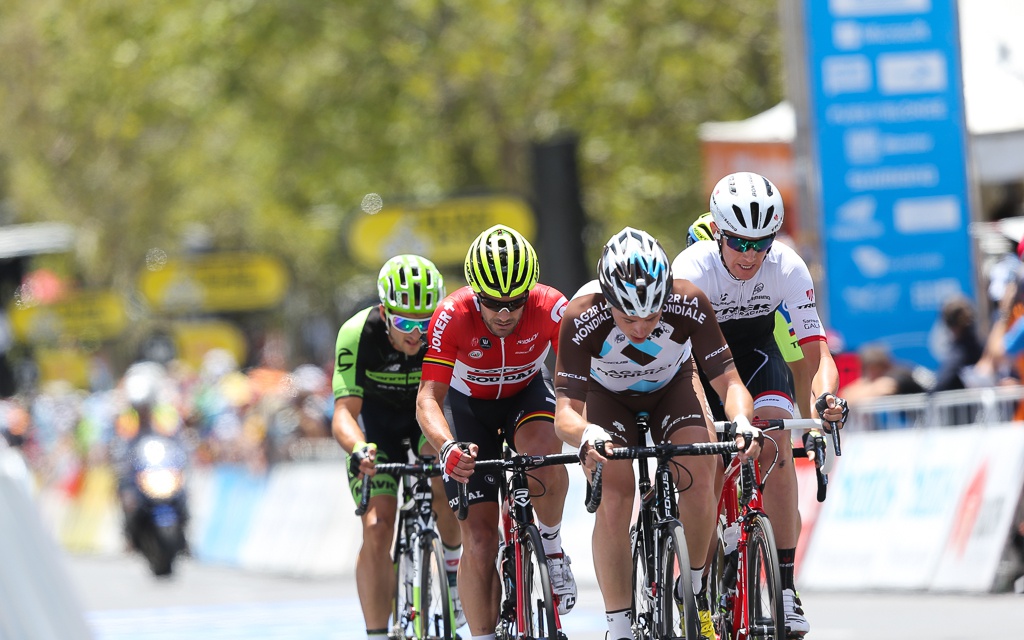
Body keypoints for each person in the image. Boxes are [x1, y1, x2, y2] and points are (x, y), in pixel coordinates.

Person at [553, 227, 758, 640]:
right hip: (607, 398)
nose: (642, 327)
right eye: (628, 317)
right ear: (607, 301)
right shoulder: (580, 316)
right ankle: (619, 626)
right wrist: (588, 433)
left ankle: (694, 590)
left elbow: (730, 383)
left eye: (652, 314)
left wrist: (741, 421)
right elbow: (566, 414)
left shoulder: (689, 301)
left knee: (701, 471)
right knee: (614, 494)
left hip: (673, 387)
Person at [672, 172, 849, 639]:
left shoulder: (787, 267)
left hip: (756, 356)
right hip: (700, 367)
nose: (750, 255)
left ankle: (786, 590)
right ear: (717, 231)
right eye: (738, 242)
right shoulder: (693, 268)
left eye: (761, 243)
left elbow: (817, 353)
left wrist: (826, 398)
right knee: (704, 463)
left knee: (776, 442)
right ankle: (702, 567)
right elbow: (680, 359)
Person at [416, 224, 577, 638]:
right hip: (468, 410)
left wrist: (586, 430)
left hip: (525, 395)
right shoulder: (452, 315)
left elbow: (576, 386)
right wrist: (446, 446)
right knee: (482, 540)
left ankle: (553, 547)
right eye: (492, 303)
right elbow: (428, 399)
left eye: (514, 303)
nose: (504, 314)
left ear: (530, 293)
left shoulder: (552, 306)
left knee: (545, 452)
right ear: (475, 294)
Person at [331, 254, 465, 640]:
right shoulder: (358, 334)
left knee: (443, 478)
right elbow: (343, 414)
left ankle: (453, 577)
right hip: (377, 435)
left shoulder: (443, 330)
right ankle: (376, 632)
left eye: (425, 322)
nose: (416, 334)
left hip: (427, 421)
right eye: (405, 322)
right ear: (384, 311)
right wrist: (358, 449)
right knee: (377, 527)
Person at [688, 212, 812, 418]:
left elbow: (801, 368)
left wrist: (810, 429)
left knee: (774, 432)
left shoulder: (772, 299)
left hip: (756, 367)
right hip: (706, 376)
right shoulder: (691, 279)